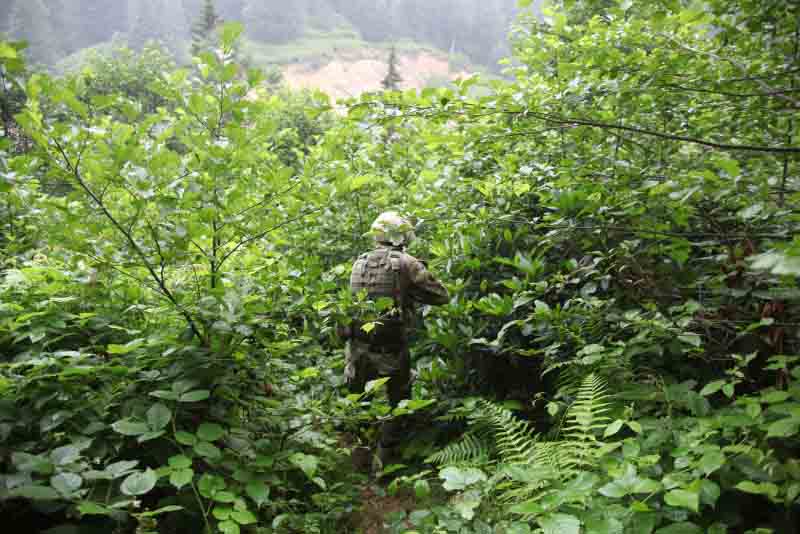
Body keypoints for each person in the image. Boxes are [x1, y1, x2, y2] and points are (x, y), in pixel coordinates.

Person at [343, 211, 449, 465]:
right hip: (391, 348)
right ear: (403, 235)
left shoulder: (359, 262)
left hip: (356, 348)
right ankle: (385, 463)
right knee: (398, 403)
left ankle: (359, 458)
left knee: (359, 402)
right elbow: (441, 296)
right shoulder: (406, 263)